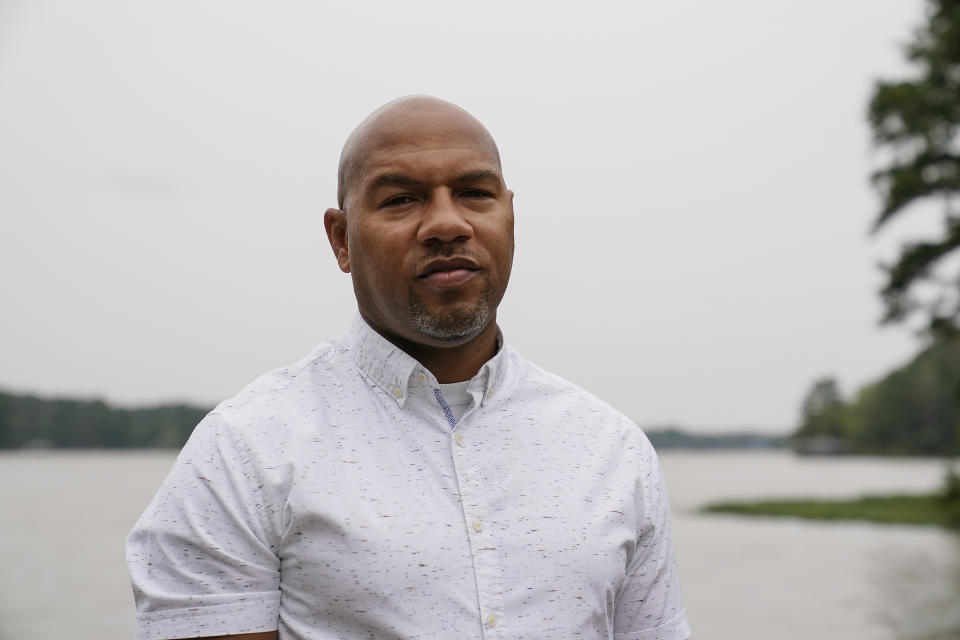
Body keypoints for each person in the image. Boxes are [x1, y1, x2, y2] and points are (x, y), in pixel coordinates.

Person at [126, 96, 691, 640]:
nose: (447, 224)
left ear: (510, 216)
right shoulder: (245, 452)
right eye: (401, 199)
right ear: (341, 239)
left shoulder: (611, 449)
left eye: (474, 193)